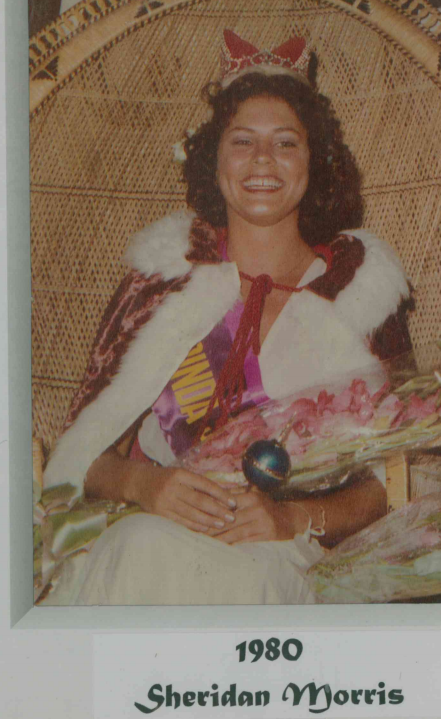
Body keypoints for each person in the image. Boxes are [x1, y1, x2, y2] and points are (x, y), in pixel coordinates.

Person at [43, 30, 412, 605]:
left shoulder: (360, 294)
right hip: (150, 527)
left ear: (316, 161)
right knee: (141, 545)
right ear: (212, 160)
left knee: (252, 577)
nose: (263, 159)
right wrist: (144, 484)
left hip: (289, 553)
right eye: (242, 141)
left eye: (286, 142)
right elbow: (82, 453)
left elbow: (393, 481)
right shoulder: (162, 282)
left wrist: (294, 518)